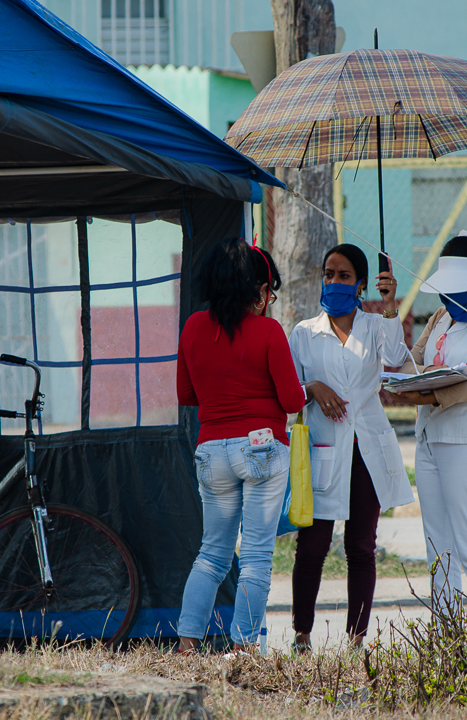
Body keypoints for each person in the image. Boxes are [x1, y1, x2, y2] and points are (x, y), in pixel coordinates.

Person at [175, 238, 305, 652]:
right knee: (254, 558)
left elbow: (186, 394)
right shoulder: (268, 330)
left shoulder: (194, 326)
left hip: (211, 449)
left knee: (211, 555)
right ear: (257, 290)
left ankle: (187, 644)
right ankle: (244, 649)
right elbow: (291, 401)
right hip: (262, 449)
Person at [287, 244, 415, 650]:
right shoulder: (304, 332)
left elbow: (396, 357)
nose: (334, 282)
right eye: (329, 274)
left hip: (367, 450)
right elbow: (288, 392)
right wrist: (312, 387)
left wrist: (391, 305)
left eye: (344, 276)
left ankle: (356, 640)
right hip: (323, 450)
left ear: (361, 285)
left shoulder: (376, 326)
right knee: (312, 546)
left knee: (361, 546)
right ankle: (302, 635)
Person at [394, 232, 467, 626]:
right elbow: (412, 361)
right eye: (447, 292)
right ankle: (448, 645)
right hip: (428, 438)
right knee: (438, 548)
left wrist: (430, 394)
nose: (450, 301)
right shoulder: (440, 316)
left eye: (460, 292)